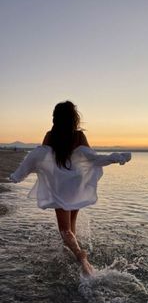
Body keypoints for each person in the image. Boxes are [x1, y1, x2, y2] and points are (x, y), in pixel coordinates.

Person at [10, 101, 131, 276]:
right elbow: (92, 159)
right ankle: (72, 252)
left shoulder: (50, 136)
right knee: (71, 224)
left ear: (55, 118)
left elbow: (40, 157)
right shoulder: (79, 136)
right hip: (76, 184)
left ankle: (81, 257)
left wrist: (18, 175)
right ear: (74, 117)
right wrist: (114, 158)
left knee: (64, 230)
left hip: (60, 186)